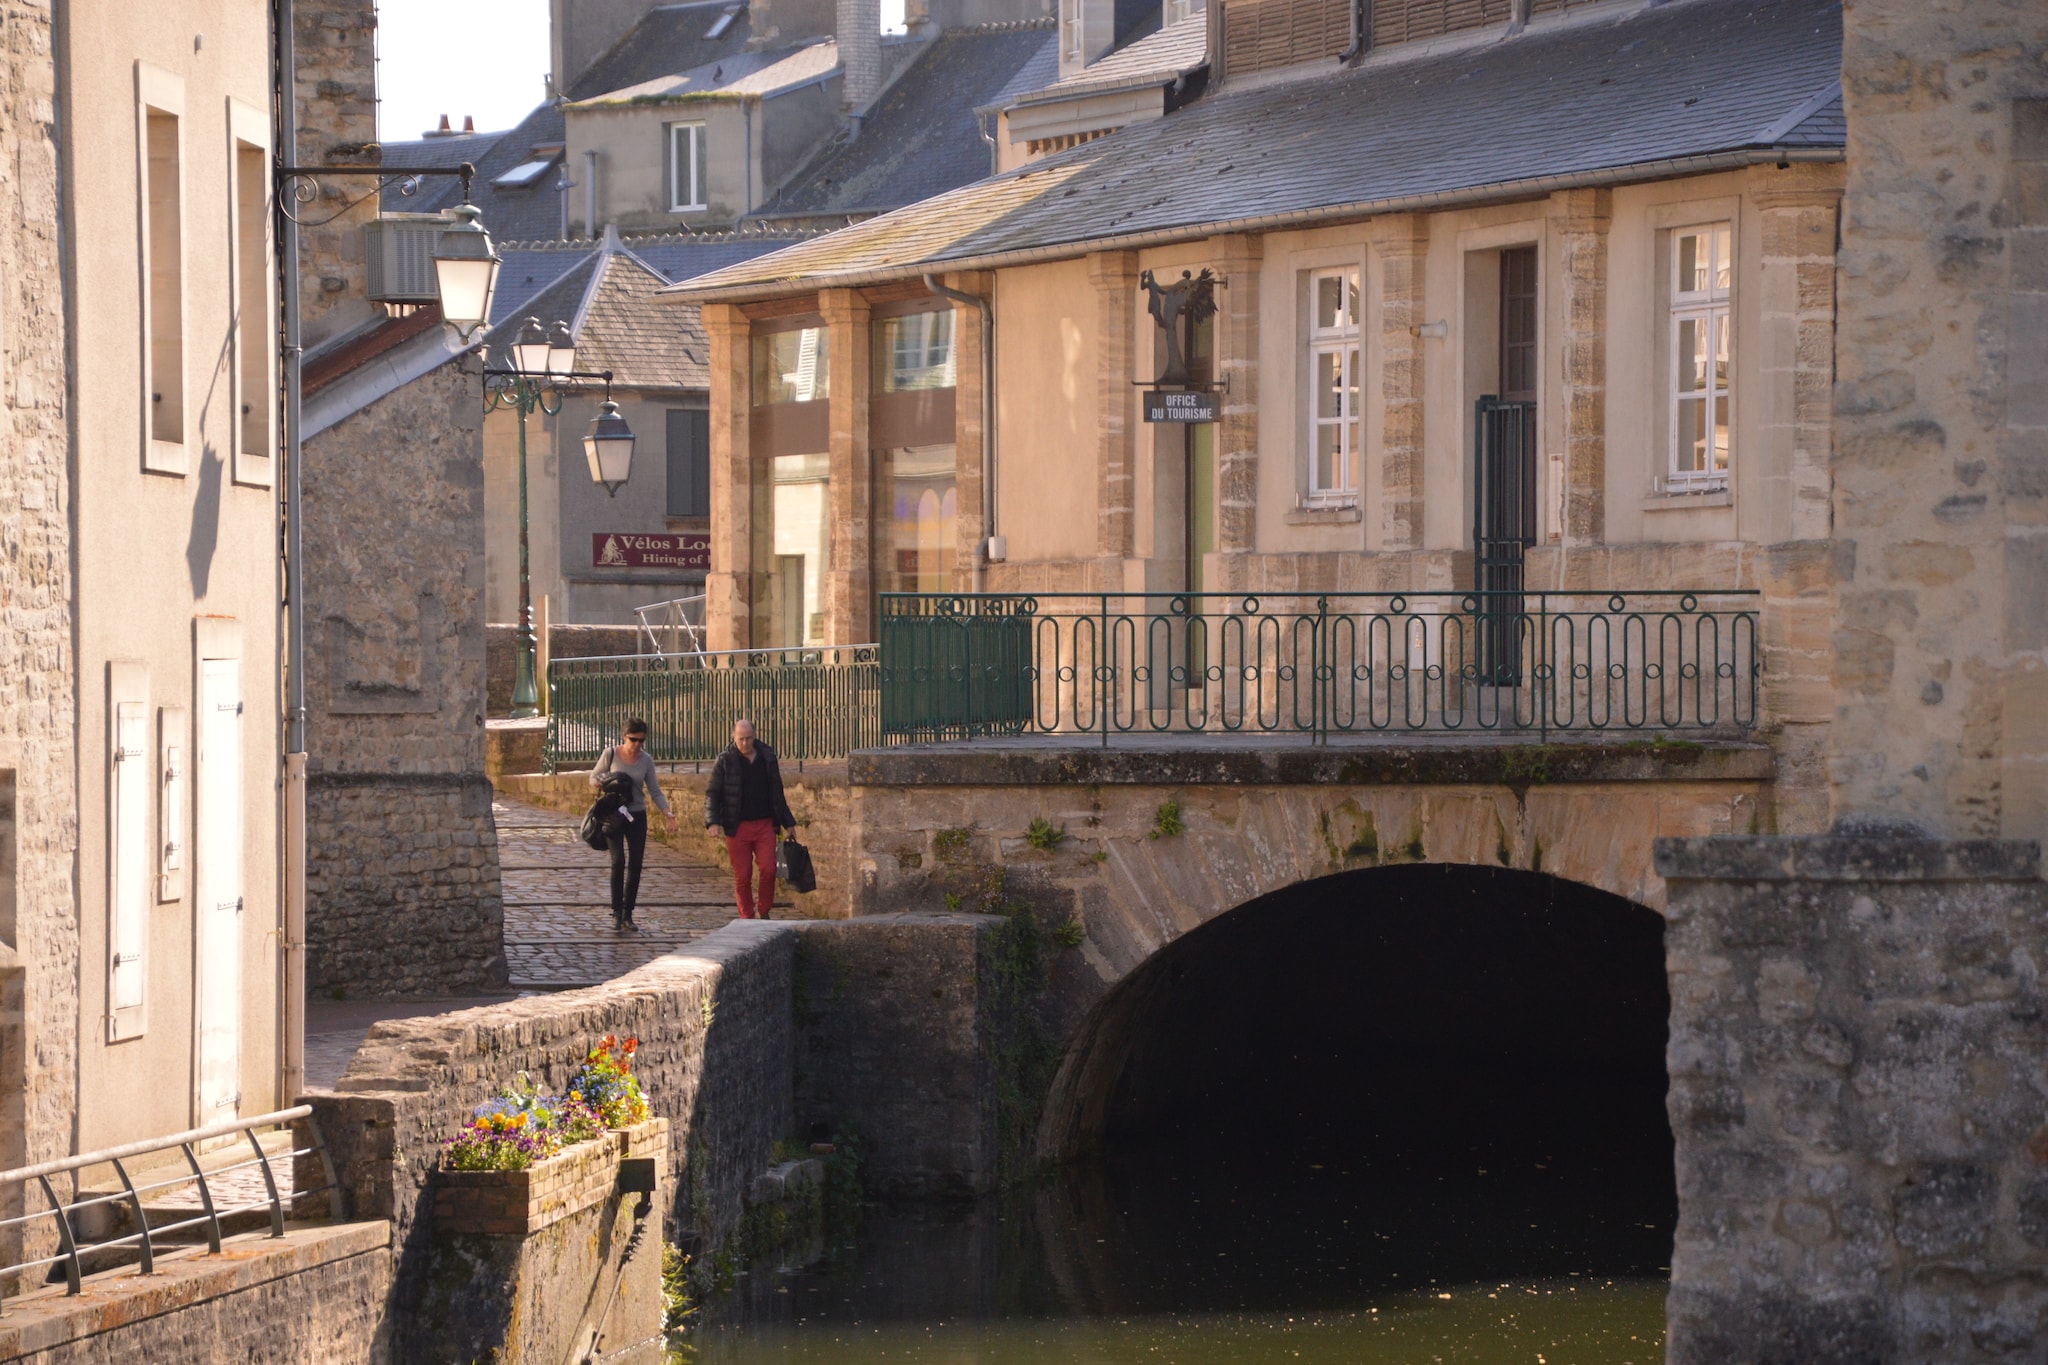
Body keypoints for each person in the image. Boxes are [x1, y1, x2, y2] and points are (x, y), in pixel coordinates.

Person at [704, 718, 796, 919]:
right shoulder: (725, 760)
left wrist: (788, 822)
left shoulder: (767, 757)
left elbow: (777, 793)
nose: (744, 743)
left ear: (755, 736)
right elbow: (713, 792)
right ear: (733, 737)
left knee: (769, 868)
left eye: (748, 738)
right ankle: (747, 917)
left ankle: (764, 910)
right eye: (740, 739)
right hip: (738, 826)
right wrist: (713, 821)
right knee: (743, 875)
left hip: (765, 824)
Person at [591, 718, 674, 931]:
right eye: (633, 740)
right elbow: (593, 778)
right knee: (618, 861)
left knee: (635, 864)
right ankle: (616, 912)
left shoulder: (646, 760)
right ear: (624, 736)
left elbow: (654, 790)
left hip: (636, 815)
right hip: (613, 814)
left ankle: (628, 914)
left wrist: (667, 812)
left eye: (641, 741)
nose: (637, 744)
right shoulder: (610, 754)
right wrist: (609, 781)